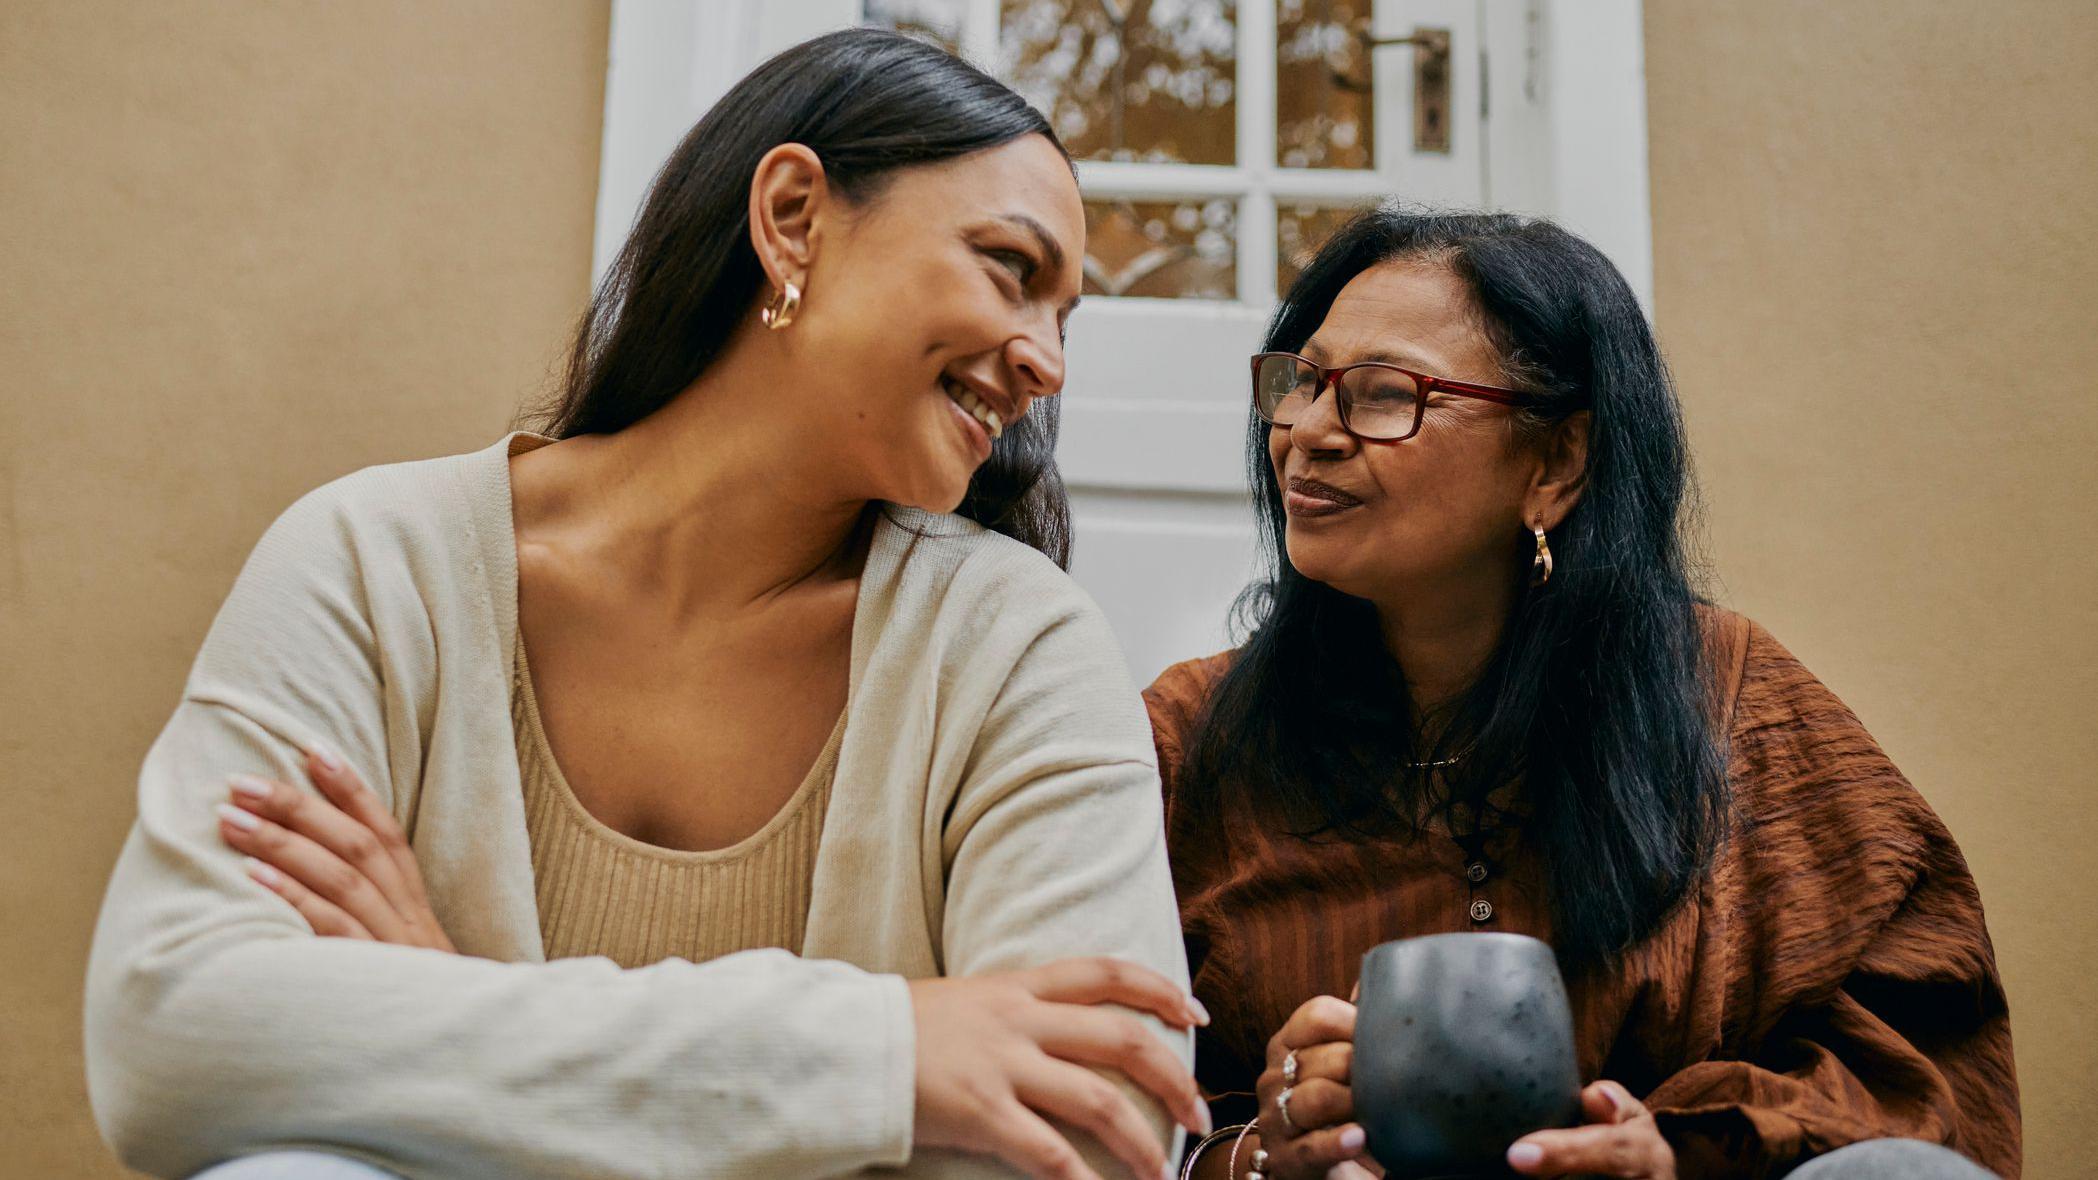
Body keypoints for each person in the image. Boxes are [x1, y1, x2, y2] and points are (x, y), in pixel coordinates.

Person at [84, 30, 1206, 1180]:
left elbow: (1102, 1122)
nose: (1047, 362)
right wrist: (880, 1055)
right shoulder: (377, 566)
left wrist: (450, 1008)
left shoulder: (1019, 649)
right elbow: (171, 1028)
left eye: (1065, 318)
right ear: (793, 218)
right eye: (1011, 268)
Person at [1150, 209, 2020, 1179]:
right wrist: (1262, 1154)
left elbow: (1920, 1065)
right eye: (1302, 382)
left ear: (1556, 464)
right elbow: (1111, 1107)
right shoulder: (1188, 739)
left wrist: (1671, 1154)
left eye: (1385, 394)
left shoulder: (1727, 699)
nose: (1307, 433)